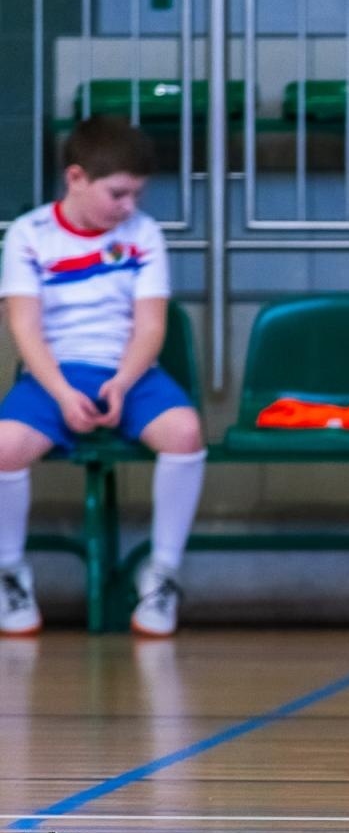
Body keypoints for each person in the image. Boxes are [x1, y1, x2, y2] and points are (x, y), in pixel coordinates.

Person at [0, 116, 206, 638]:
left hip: (131, 373)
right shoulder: (29, 235)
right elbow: (24, 327)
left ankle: (161, 575)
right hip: (54, 375)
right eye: (117, 194)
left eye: (136, 194)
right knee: (3, 446)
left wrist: (120, 381)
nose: (129, 206)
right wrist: (64, 393)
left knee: (184, 433)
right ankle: (8, 574)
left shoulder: (144, 234)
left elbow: (151, 325)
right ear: (76, 178)